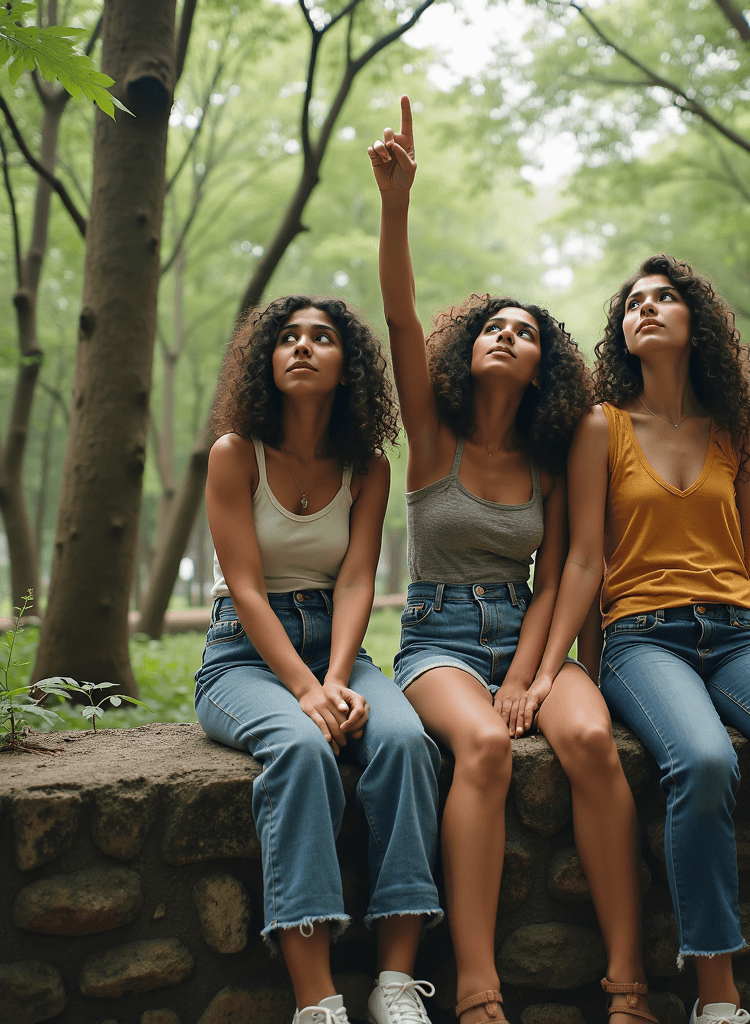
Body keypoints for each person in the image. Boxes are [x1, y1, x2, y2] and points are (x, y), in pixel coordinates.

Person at [367, 97, 657, 1024]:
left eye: (527, 331)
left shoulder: (546, 457)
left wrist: (534, 674)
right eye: (495, 324)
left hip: (527, 634)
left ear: (543, 365)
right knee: (486, 746)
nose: (507, 333)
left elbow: (572, 569)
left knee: (584, 741)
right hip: (437, 643)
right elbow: (402, 316)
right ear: (472, 345)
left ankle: (627, 981)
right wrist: (397, 204)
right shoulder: (432, 434)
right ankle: (478, 985)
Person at [531, 255, 750, 1024]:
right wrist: (574, 671)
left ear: (697, 322)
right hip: (643, 640)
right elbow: (584, 559)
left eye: (664, 297)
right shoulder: (600, 426)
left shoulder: (738, 431)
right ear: (622, 331)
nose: (645, 308)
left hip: (738, 635)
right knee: (706, 762)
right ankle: (717, 997)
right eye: (633, 303)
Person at [195, 295, 443, 1024]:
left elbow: (359, 578)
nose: (302, 347)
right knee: (302, 750)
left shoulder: (367, 466)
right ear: (268, 361)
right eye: (289, 337)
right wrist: (306, 691)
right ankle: (317, 998)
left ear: (347, 367)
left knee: (403, 741)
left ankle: (395, 984)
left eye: (322, 338)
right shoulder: (235, 453)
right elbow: (243, 585)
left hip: (336, 645)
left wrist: (337, 679)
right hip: (241, 656)